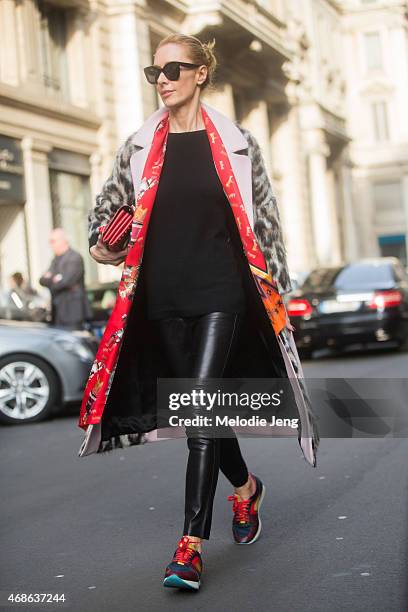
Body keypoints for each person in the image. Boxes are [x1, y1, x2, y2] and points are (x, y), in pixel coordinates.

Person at [82, 33, 319, 592]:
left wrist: (280, 305)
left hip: (221, 295)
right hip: (161, 299)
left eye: (173, 69)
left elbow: (266, 228)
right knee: (201, 415)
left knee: (203, 411)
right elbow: (102, 226)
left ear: (201, 73)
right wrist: (105, 243)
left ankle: (189, 546)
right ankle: (246, 490)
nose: (162, 79)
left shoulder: (238, 143)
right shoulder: (138, 146)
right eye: (154, 71)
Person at [39, 228, 92, 330]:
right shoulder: (55, 260)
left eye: (53, 241)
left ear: (63, 241)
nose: (50, 245)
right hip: (57, 314)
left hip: (72, 314)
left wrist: (51, 278)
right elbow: (42, 280)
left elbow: (64, 282)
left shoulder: (74, 258)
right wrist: (54, 278)